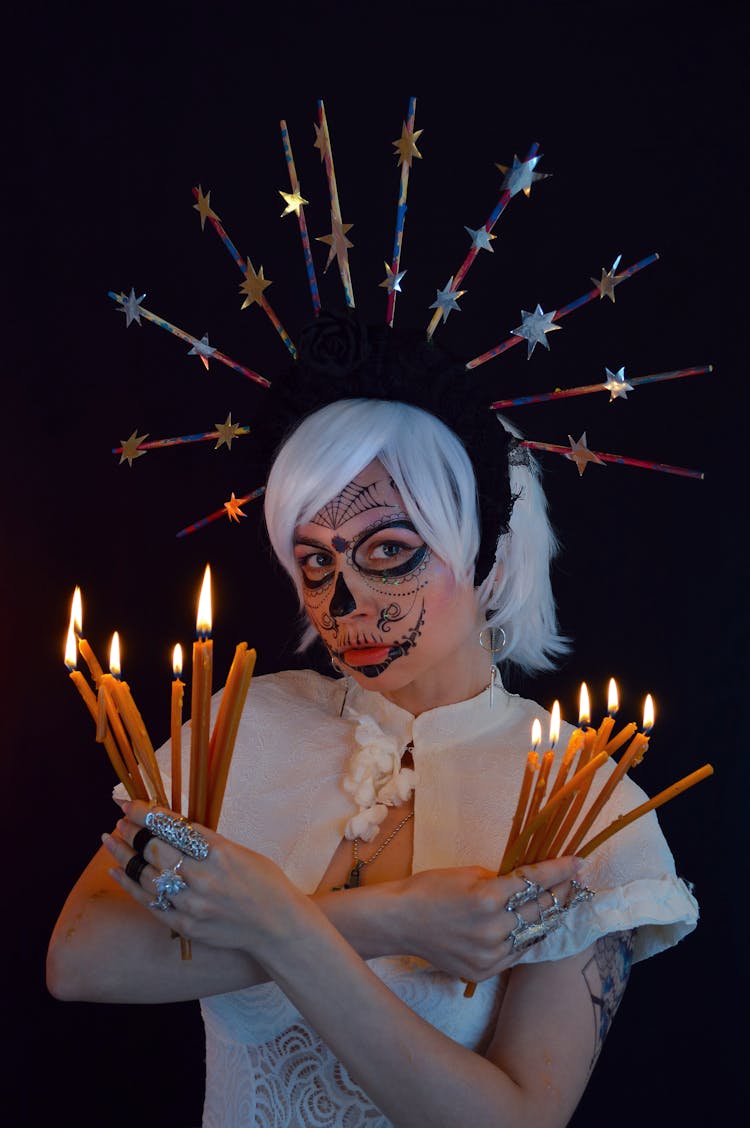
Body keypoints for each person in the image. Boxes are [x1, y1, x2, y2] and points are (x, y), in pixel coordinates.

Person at [47, 321, 698, 1127]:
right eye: (316, 560)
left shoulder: (583, 803)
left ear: (485, 556)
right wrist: (381, 919)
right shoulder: (243, 726)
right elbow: (79, 959)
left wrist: (276, 917)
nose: (341, 606)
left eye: (388, 552)